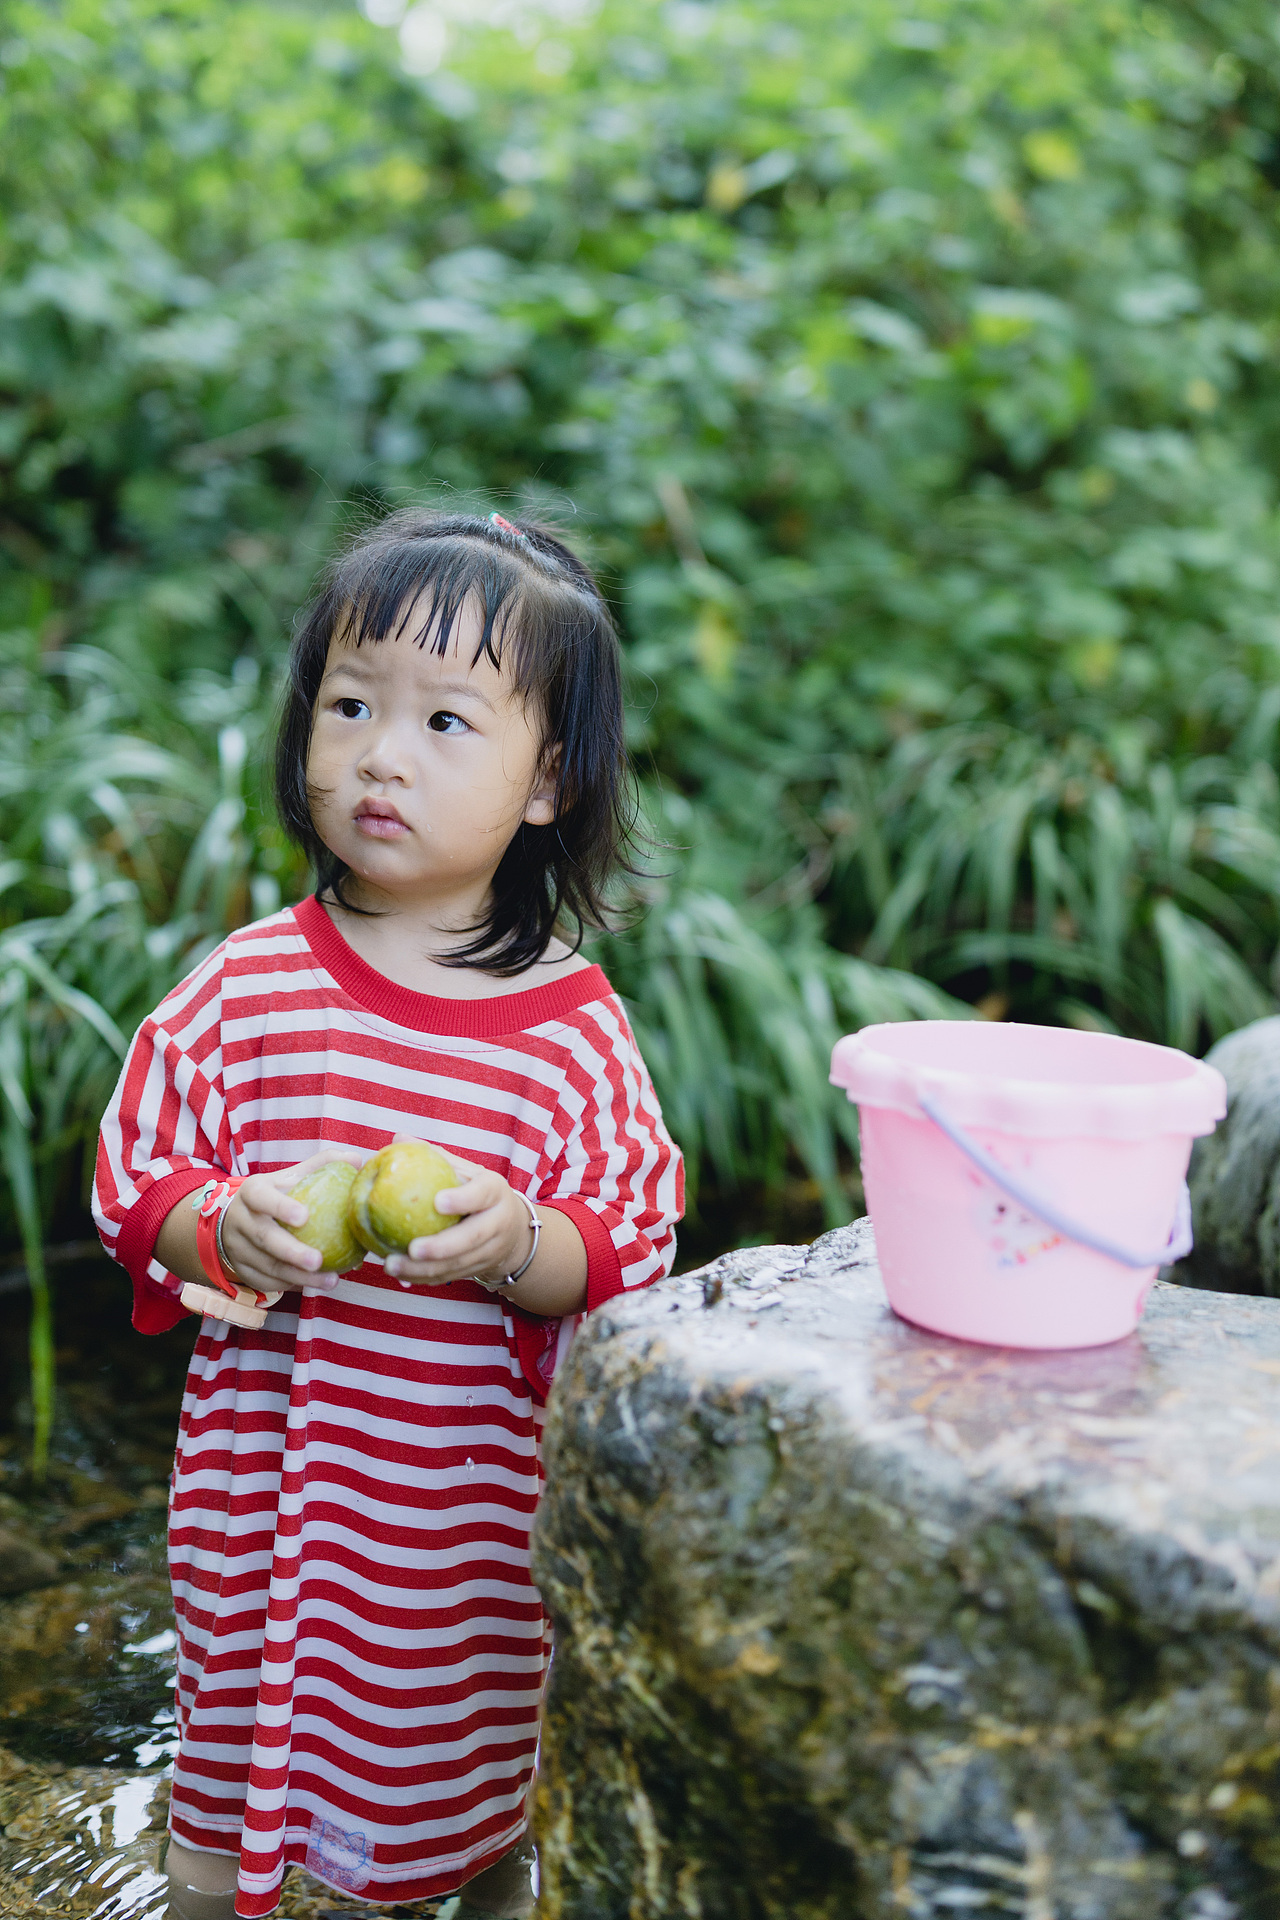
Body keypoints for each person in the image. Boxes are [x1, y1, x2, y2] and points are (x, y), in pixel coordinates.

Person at [93, 509, 683, 1920]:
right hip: (259, 1509)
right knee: (230, 1789)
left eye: (445, 722)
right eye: (351, 703)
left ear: (547, 782)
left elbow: (631, 1232)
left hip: (447, 1537)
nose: (382, 751)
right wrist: (215, 1227)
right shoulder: (247, 987)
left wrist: (517, 1241)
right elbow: (139, 1164)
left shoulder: (568, 1032)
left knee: (453, 1806)